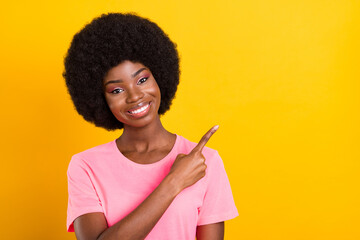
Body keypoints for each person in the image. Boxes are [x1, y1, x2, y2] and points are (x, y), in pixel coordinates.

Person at [64, 13, 238, 240]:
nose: (135, 96)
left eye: (142, 79)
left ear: (159, 77)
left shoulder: (204, 161)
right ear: (100, 100)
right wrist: (174, 182)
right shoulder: (86, 166)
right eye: (117, 90)